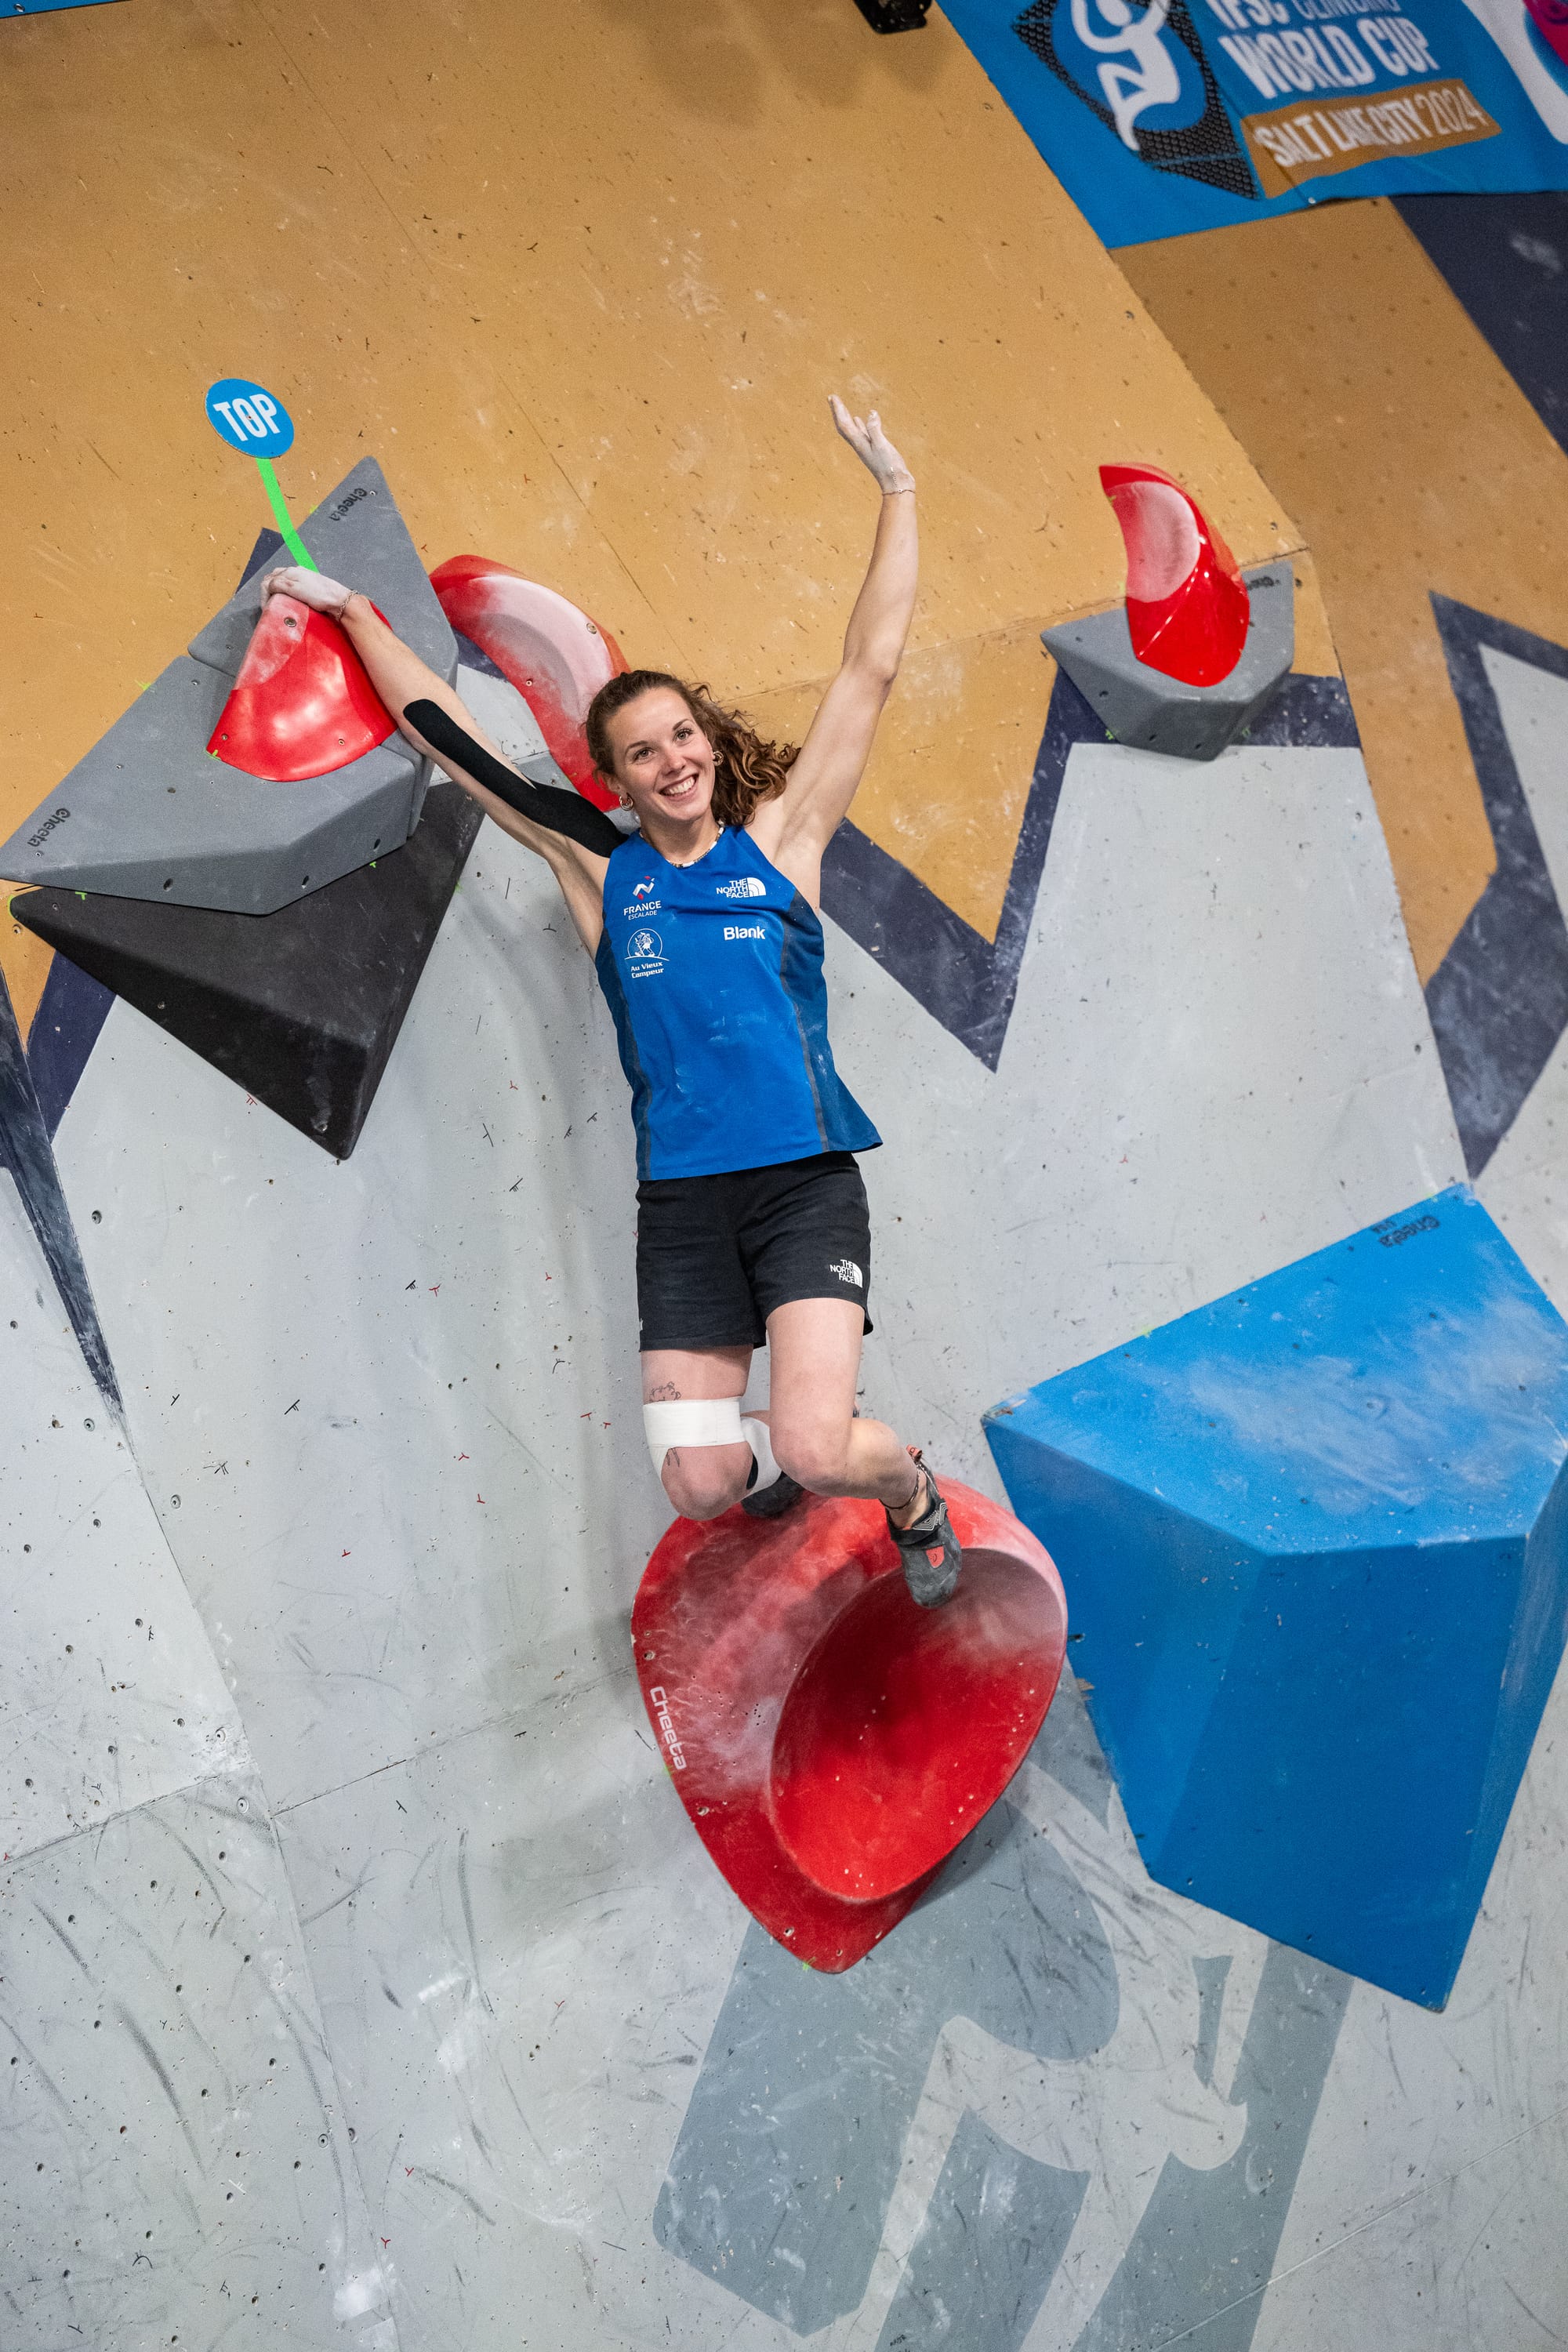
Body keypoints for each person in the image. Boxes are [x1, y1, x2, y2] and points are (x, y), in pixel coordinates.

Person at [259, 398, 961, 1605]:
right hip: (683, 1207)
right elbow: (453, 740)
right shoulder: (602, 870)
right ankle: (783, 1451)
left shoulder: (784, 844)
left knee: (811, 1447)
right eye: (643, 753)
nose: (674, 761)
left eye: (683, 735)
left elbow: (872, 664)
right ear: (619, 778)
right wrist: (351, 612)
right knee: (701, 1484)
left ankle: (913, 1496)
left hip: (803, 1184)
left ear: (705, 740)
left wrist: (896, 487)